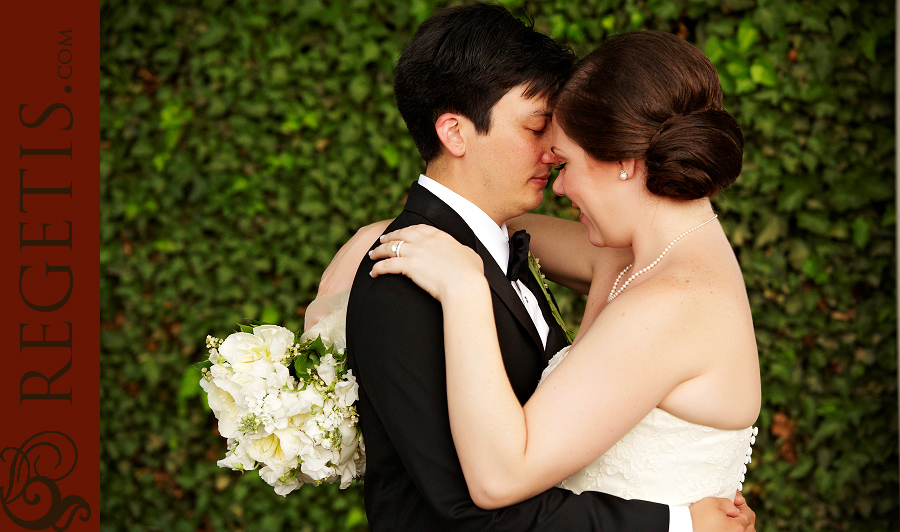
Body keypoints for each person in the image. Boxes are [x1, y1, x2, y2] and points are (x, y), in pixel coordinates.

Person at [311, 4, 756, 531]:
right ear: (456, 132)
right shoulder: (639, 257)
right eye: (537, 128)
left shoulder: (668, 298)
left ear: (625, 162)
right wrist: (384, 232)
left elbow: (497, 483)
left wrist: (466, 288)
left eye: (565, 158)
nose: (556, 176)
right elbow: (491, 231)